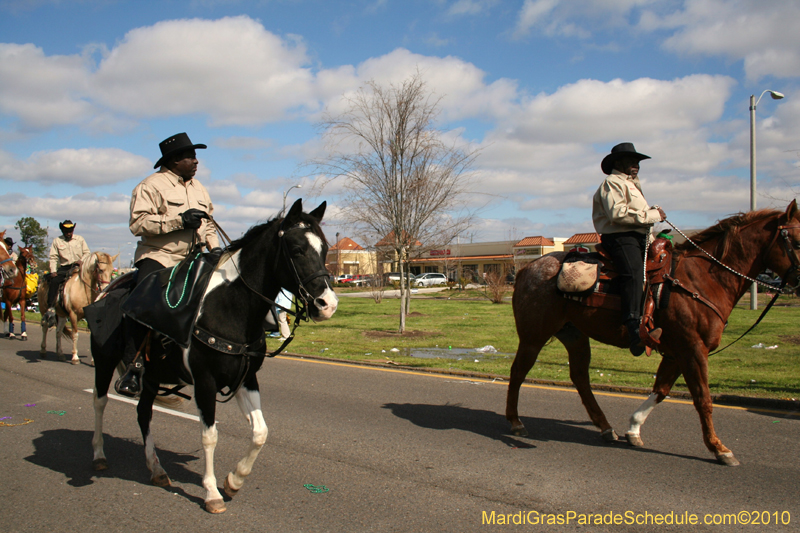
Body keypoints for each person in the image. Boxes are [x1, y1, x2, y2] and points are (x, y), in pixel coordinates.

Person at [116, 132, 220, 397]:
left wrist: (217, 250)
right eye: (191, 156)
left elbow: (208, 224)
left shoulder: (199, 188)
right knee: (143, 301)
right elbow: (137, 224)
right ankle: (134, 366)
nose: (196, 162)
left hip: (194, 258)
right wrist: (179, 221)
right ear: (174, 160)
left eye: (196, 156)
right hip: (159, 256)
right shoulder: (150, 185)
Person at [592, 143, 666, 356]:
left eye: (638, 162)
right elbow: (617, 214)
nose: (637, 165)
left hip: (640, 237)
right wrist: (653, 215)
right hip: (620, 237)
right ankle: (633, 327)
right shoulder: (612, 182)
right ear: (618, 163)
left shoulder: (632, 185)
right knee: (634, 274)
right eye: (632, 161)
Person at [44, 221, 90, 327]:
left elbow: (87, 253)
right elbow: (53, 257)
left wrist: (81, 260)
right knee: (54, 282)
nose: (68, 233)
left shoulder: (80, 239)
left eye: (70, 230)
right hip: (65, 268)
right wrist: (53, 271)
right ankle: (50, 309)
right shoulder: (57, 241)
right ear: (62, 230)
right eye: (66, 231)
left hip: (79, 266)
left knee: (92, 281)